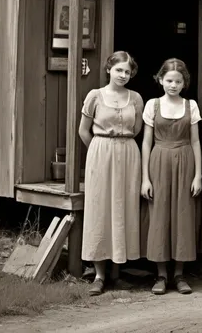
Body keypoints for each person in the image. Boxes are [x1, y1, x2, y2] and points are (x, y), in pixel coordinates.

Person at [79, 51, 144, 296]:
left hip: (128, 154)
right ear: (109, 69)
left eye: (128, 72)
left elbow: (136, 129)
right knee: (100, 208)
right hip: (101, 152)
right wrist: (99, 149)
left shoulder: (136, 98)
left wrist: (119, 147)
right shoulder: (95, 96)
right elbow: (83, 131)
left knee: (123, 208)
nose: (123, 75)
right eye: (119, 70)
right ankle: (99, 274)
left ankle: (118, 273)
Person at [141, 58, 202, 295]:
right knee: (159, 215)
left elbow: (196, 141)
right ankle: (161, 275)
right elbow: (146, 143)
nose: (173, 85)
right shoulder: (152, 105)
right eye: (169, 80)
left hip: (185, 160)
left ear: (184, 82)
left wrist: (198, 175)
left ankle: (179, 274)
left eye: (178, 81)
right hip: (159, 161)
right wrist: (145, 178)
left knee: (183, 215)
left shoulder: (191, 106)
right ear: (160, 80)